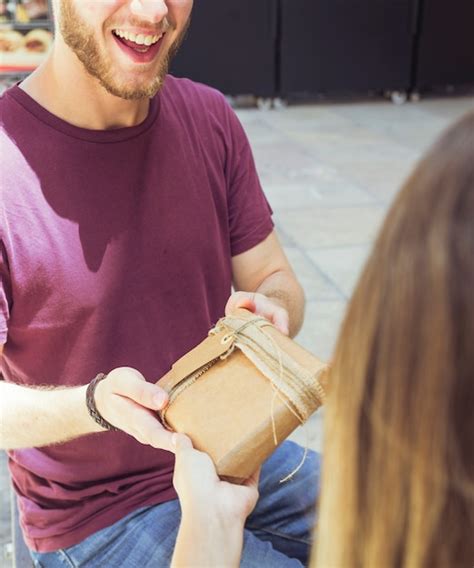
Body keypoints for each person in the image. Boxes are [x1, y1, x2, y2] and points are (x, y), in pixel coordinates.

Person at [0, 1, 318, 566]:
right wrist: (94, 404)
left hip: (235, 451)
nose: (152, 10)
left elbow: (274, 276)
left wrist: (272, 310)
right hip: (98, 514)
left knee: (427, 512)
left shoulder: (209, 116)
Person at [171, 111, 474, 567]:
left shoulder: (208, 118)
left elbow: (276, 276)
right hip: (111, 505)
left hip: (213, 481)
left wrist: (206, 534)